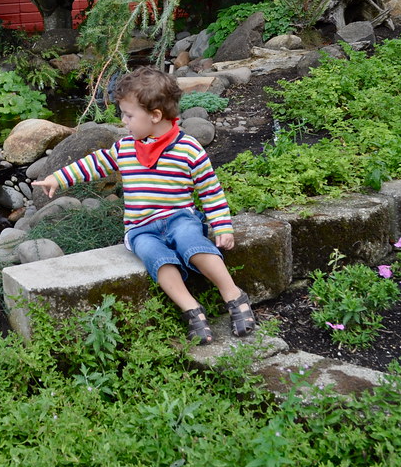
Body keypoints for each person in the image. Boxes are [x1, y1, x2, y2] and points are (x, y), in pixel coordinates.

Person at [33, 66, 255, 344]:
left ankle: (232, 294)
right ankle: (191, 308)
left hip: (179, 217)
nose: (123, 121)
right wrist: (58, 177)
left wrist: (222, 226)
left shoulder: (188, 149)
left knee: (190, 242)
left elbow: (210, 189)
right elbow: (95, 163)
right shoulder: (125, 148)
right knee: (156, 258)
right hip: (141, 228)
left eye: (128, 115)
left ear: (155, 116)